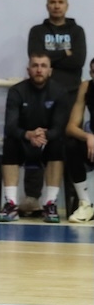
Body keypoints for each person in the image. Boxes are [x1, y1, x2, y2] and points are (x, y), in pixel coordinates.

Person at [0, 53, 69, 223]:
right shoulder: (17, 91)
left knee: (58, 145)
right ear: (28, 69)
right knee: (9, 143)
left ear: (50, 71)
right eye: (35, 65)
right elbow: (10, 126)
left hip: (47, 142)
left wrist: (44, 135)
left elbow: (59, 127)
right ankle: (11, 204)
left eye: (43, 66)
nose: (39, 69)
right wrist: (28, 134)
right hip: (23, 141)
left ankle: (50, 204)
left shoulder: (60, 92)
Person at [27, 0, 87, 108]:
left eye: (60, 2)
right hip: (42, 91)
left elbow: (78, 61)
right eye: (53, 2)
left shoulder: (77, 31)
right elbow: (35, 59)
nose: (57, 6)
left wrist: (48, 58)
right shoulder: (37, 31)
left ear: (67, 6)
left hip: (71, 92)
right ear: (47, 6)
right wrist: (64, 52)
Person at [64, 57, 94, 222]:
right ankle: (86, 204)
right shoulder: (86, 86)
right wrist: (88, 136)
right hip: (92, 146)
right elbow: (71, 127)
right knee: (71, 144)